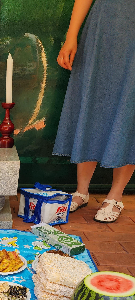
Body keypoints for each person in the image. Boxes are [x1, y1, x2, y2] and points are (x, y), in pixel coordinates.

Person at [53, 0, 135, 222]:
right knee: (92, 98)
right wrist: (71, 36)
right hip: (103, 27)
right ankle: (81, 191)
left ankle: (115, 196)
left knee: (130, 105)